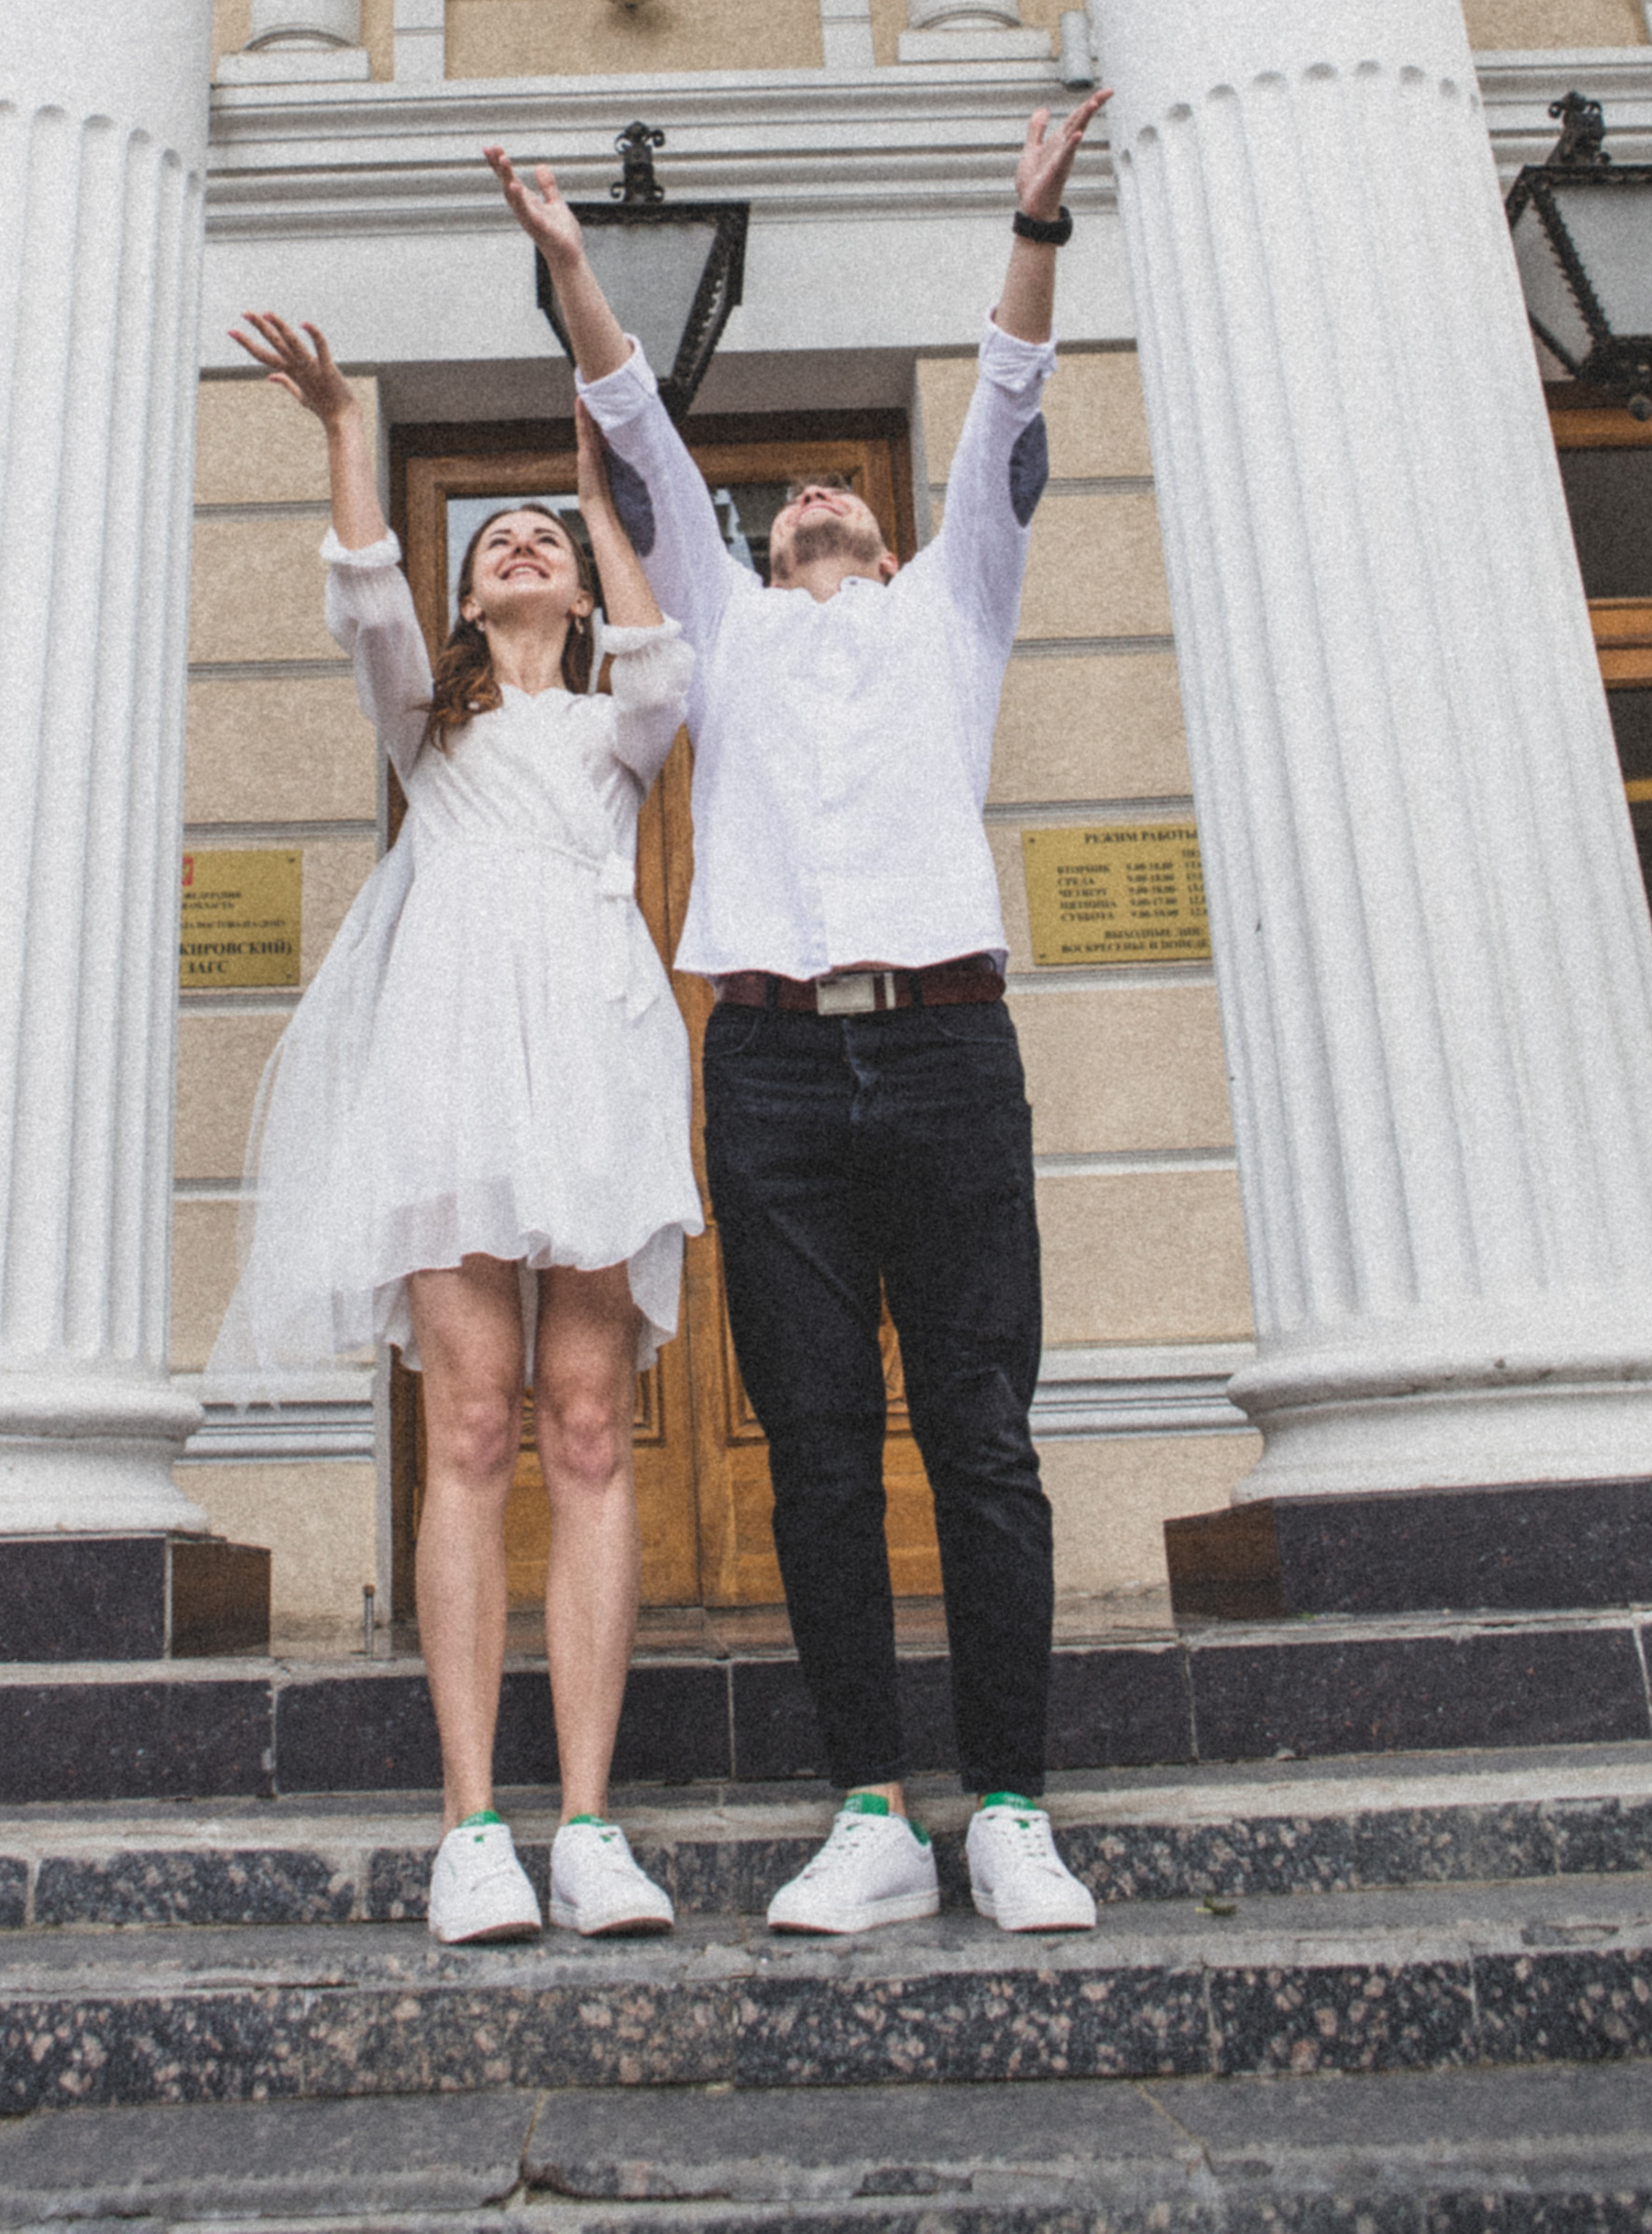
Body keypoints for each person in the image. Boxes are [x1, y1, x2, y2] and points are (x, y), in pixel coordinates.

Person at [485, 99, 1110, 1940]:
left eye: (845, 493)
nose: (816, 497)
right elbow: (636, 429)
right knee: (818, 1446)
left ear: (895, 541)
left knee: (981, 1433)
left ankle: (1011, 1809)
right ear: (758, 548)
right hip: (763, 1065)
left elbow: (1006, 400)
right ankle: (872, 1816)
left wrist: (1034, 226)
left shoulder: (956, 612)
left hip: (947, 1050)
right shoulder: (729, 626)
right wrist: (571, 265)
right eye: (792, 502)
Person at [206, 316, 703, 1949]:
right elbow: (366, 597)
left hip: (595, 1073)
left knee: (589, 1430)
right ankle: (470, 1824)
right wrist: (346, 426)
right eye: (498, 541)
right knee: (475, 1427)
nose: (521, 545)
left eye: (543, 540)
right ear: (471, 600)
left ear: (574, 591)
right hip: (453, 1077)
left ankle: (591, 1827)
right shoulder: (429, 728)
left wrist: (604, 501)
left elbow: (666, 668)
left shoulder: (615, 737)